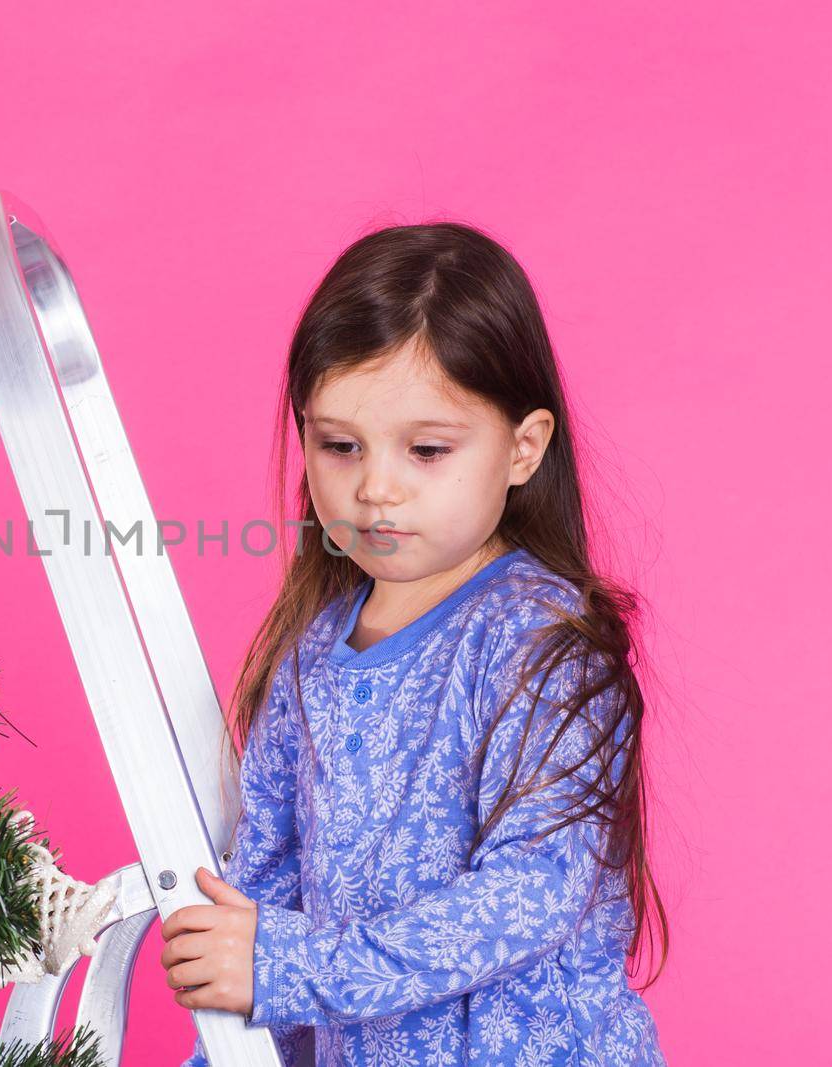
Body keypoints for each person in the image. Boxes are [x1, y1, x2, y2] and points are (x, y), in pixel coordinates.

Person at [159, 222, 669, 1066]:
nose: (375, 487)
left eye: (426, 449)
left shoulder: (541, 647)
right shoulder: (308, 658)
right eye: (338, 445)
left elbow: (527, 897)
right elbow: (259, 901)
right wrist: (228, 1040)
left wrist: (287, 964)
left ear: (523, 447)